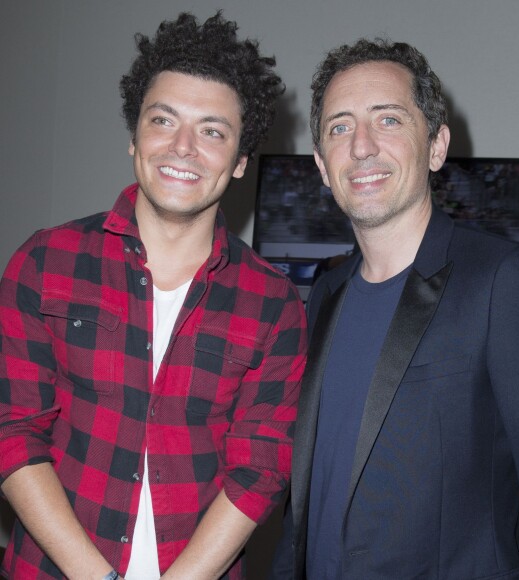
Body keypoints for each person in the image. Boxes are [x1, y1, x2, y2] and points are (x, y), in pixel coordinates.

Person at [0, 12, 307, 580]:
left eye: (212, 130)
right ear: (135, 136)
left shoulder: (275, 303)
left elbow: (261, 469)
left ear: (239, 161)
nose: (183, 147)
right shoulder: (45, 261)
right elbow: (12, 428)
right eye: (163, 120)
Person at [270, 38, 519, 579]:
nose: (361, 146)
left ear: (436, 146)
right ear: (321, 165)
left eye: (387, 120)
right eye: (340, 127)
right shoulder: (325, 294)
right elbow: (309, 498)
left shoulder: (504, 282)